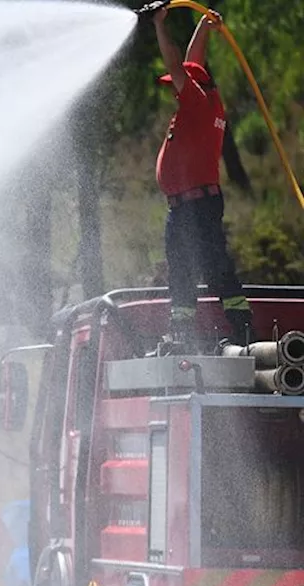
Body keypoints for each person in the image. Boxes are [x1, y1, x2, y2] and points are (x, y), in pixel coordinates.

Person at [152, 7, 253, 351]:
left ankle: (241, 328)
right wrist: (203, 25)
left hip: (195, 204)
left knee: (211, 267)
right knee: (183, 270)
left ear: (193, 86)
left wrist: (159, 26)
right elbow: (194, 62)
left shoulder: (195, 102)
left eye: (177, 87)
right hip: (188, 205)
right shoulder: (207, 101)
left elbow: (176, 64)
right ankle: (183, 332)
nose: (174, 91)